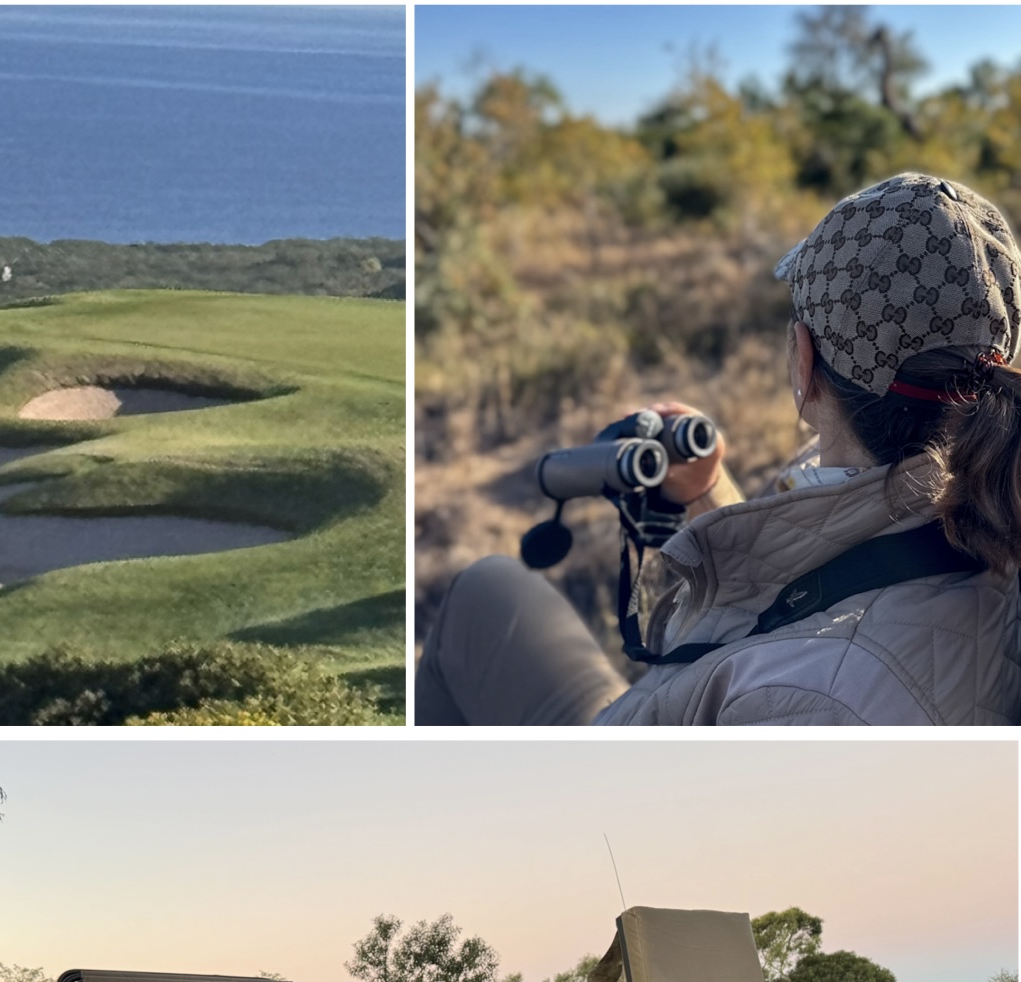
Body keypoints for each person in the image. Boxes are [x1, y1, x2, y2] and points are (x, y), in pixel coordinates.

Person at [418, 172, 1021, 725]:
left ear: (803, 363)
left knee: (483, 590)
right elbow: (831, 594)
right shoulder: (990, 513)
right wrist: (709, 492)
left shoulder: (815, 705)